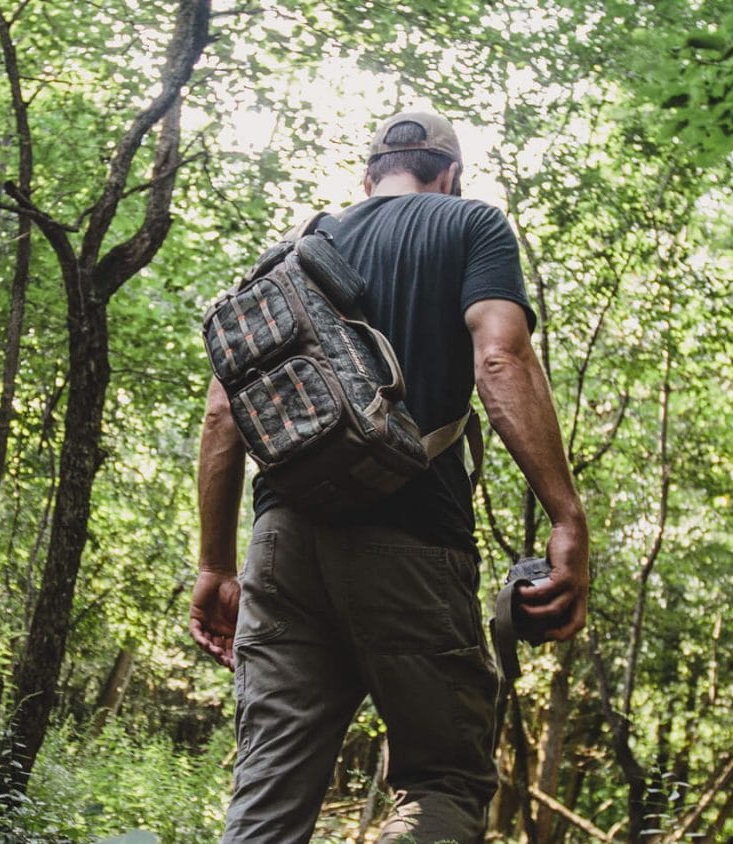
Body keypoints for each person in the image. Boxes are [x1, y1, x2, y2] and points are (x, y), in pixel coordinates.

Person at [189, 111, 591, 843]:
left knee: (267, 796)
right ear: (449, 174)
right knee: (443, 782)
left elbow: (223, 415)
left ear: (368, 177)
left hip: (281, 547)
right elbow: (499, 357)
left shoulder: (291, 256)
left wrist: (216, 564)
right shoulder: (472, 225)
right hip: (411, 534)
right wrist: (566, 516)